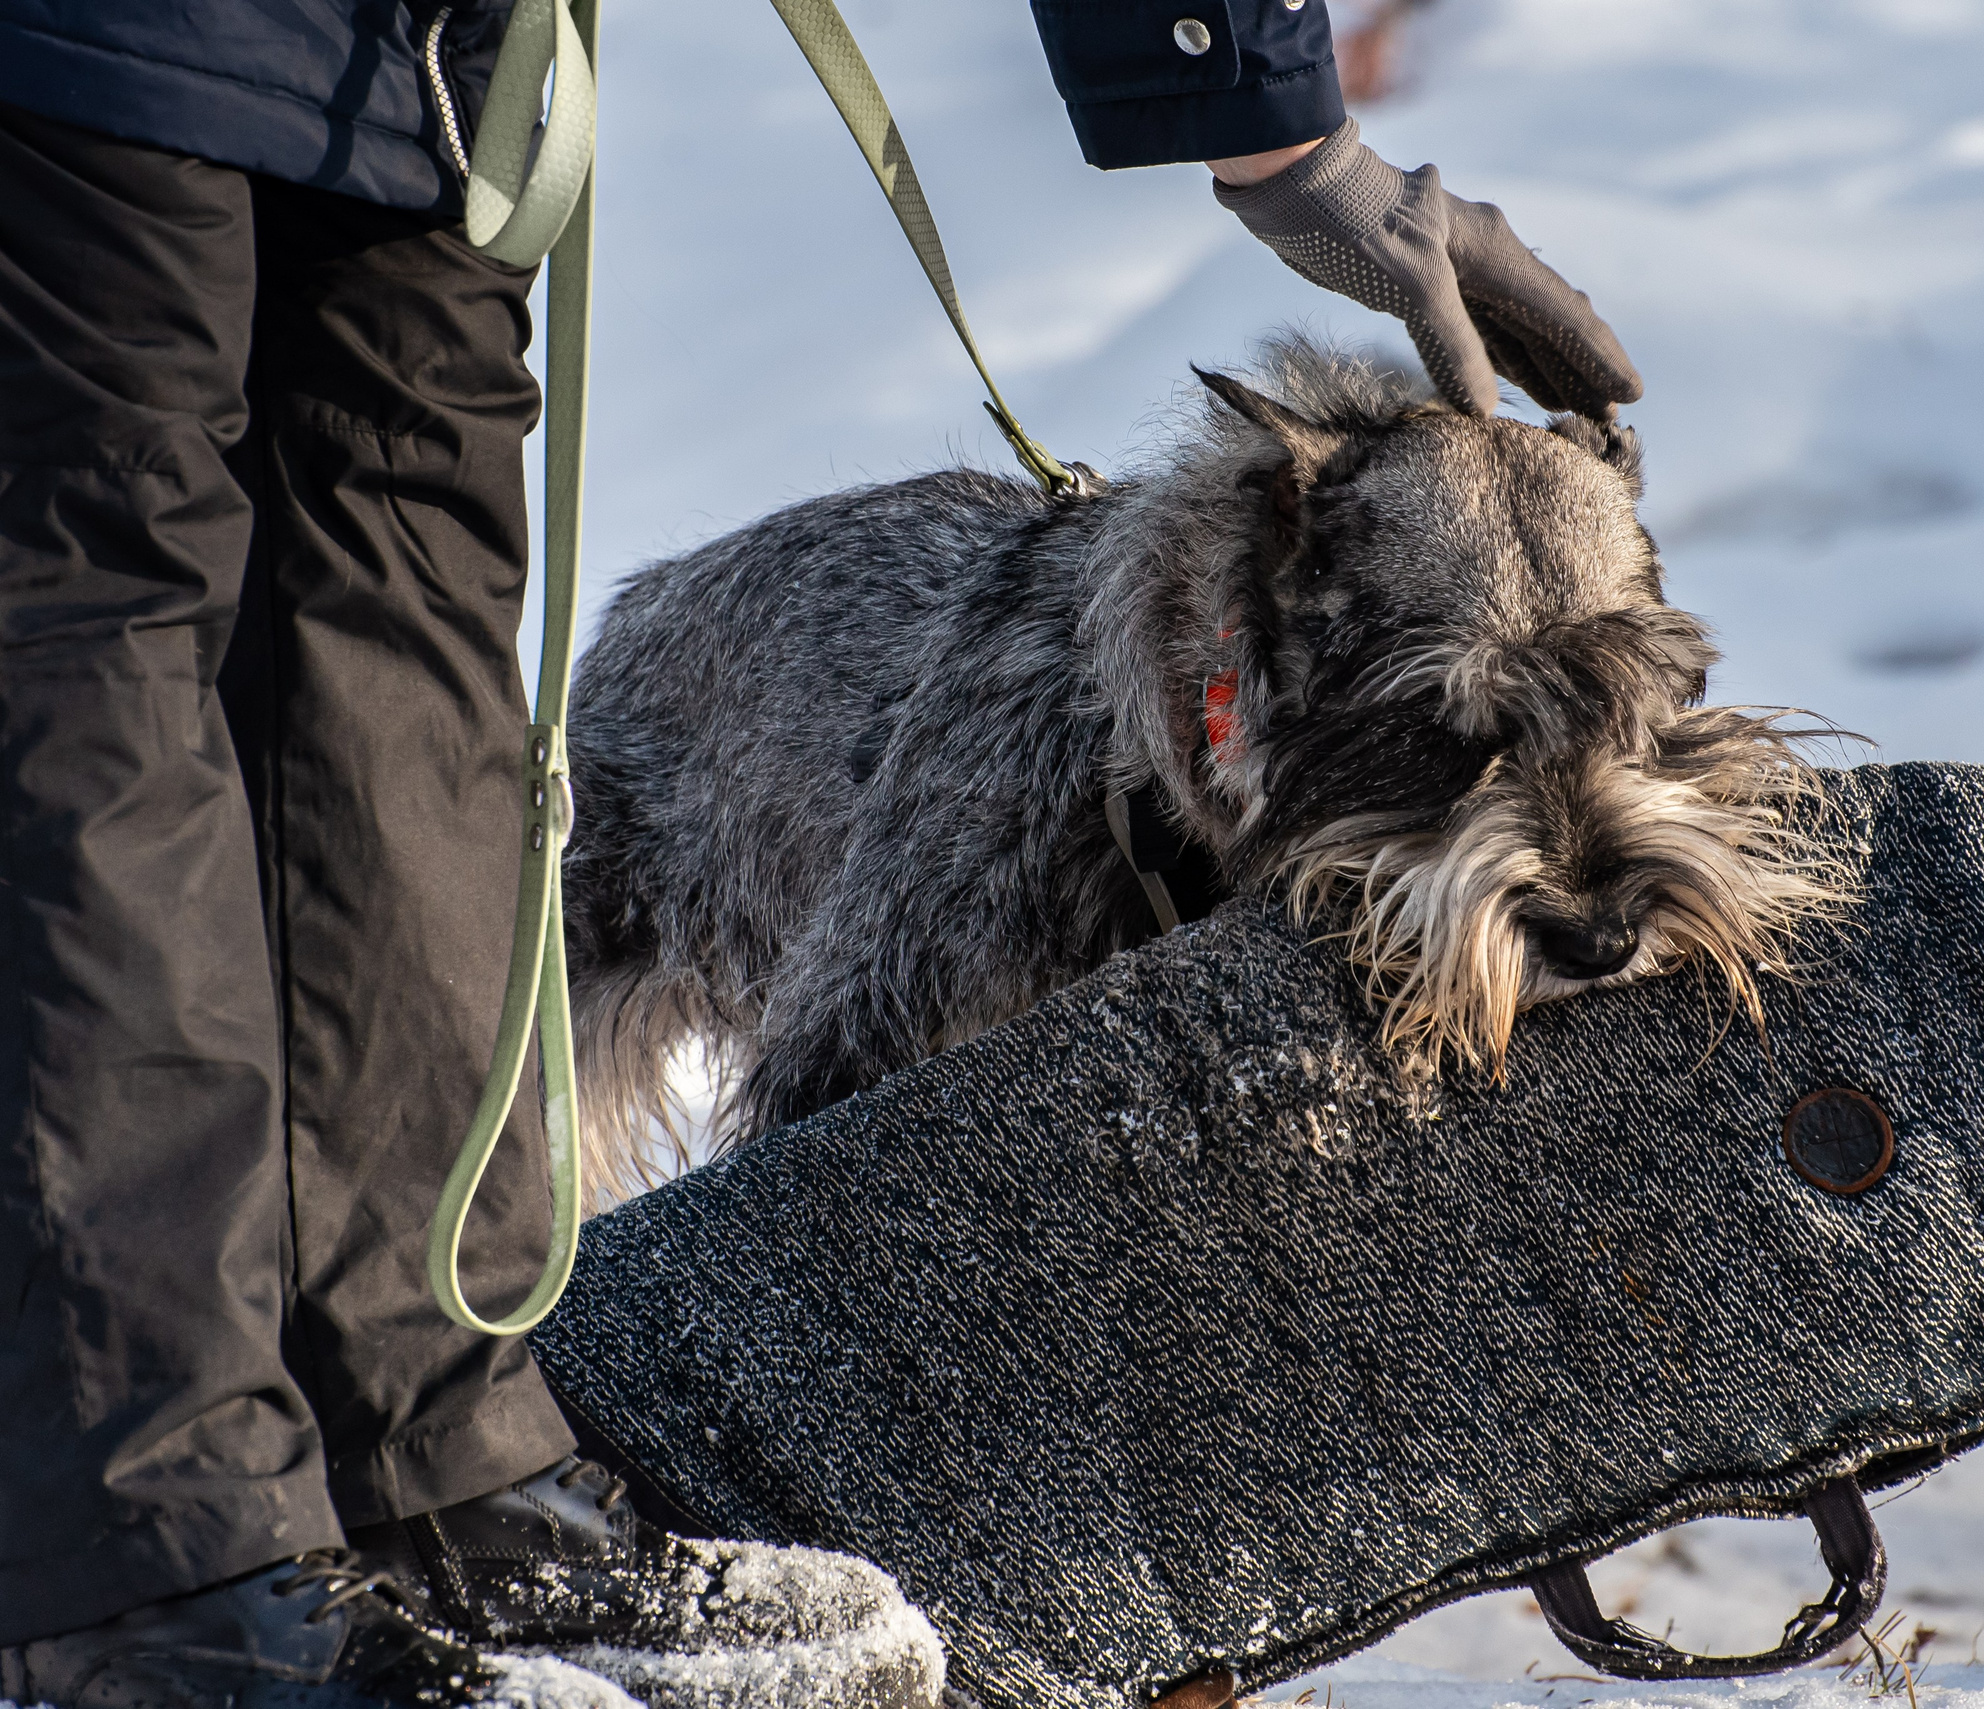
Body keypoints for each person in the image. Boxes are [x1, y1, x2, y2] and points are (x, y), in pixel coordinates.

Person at [0, 1, 1640, 1703]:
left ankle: (429, 1463)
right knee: (107, 634)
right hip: (119, 50)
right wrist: (1260, 96)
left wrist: (1275, 117)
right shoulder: (1067, 734)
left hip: (439, 72)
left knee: (398, 640)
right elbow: (826, 1096)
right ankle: (156, 1551)